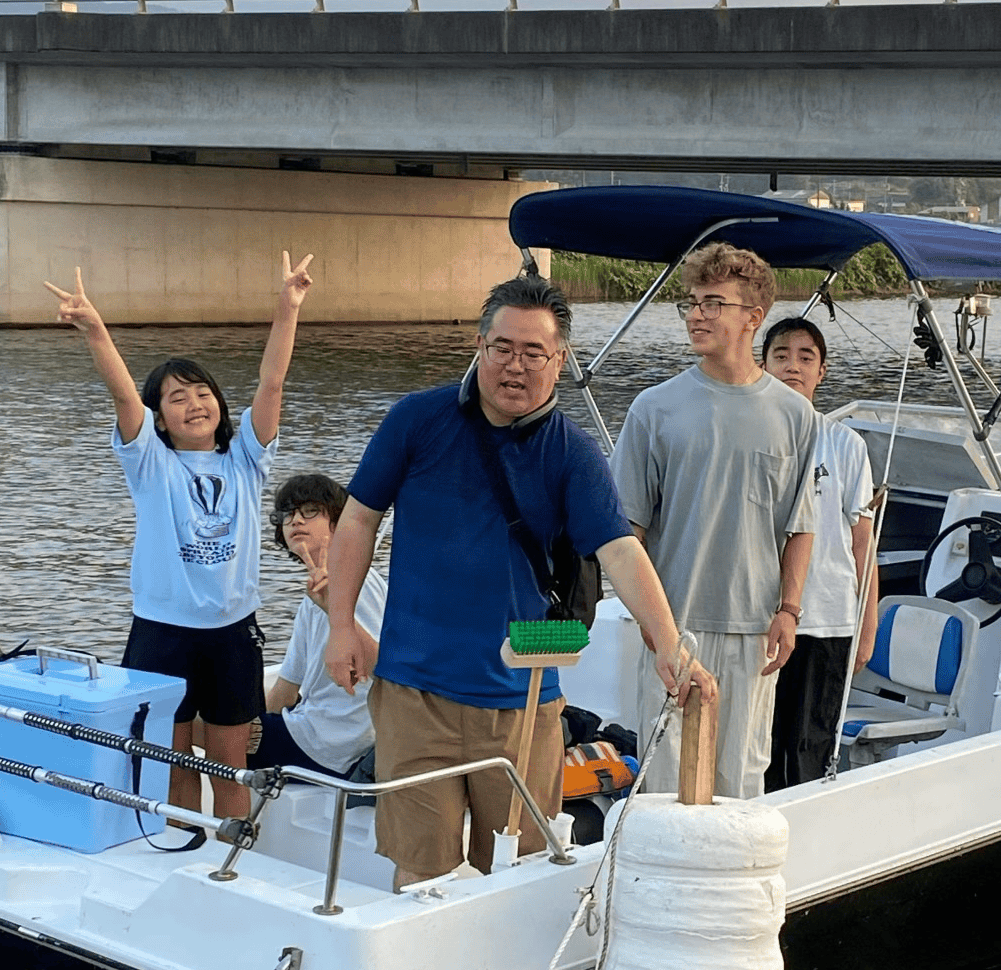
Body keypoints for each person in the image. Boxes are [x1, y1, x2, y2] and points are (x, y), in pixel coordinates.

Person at [324, 273, 712, 888]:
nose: (516, 365)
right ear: (479, 346)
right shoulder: (416, 421)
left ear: (559, 361)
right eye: (502, 348)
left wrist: (669, 643)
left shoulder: (572, 453)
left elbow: (621, 552)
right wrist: (341, 625)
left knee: (515, 872)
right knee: (423, 876)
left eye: (535, 352)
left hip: (522, 701)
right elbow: (357, 521)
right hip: (412, 694)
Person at [45, 253, 313, 822]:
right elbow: (123, 397)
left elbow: (272, 382)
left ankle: (233, 856)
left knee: (230, 764)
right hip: (162, 633)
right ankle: (182, 853)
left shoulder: (246, 459)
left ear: (218, 403)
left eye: (201, 393)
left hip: (232, 636)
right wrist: (95, 330)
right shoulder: (151, 465)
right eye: (176, 398)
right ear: (159, 419)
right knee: (173, 762)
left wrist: (287, 308)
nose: (194, 404)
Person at [608, 242, 817, 800]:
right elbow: (624, 534)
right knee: (664, 785)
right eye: (693, 303)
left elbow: (800, 526)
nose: (697, 314)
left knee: (741, 784)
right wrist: (659, 636)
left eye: (713, 303)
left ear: (754, 317)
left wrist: (790, 612)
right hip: (675, 629)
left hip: (755, 634)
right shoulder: (654, 409)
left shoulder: (796, 415)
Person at [760, 318, 877, 790]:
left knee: (809, 746)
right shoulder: (748, 435)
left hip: (827, 617)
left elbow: (863, 545)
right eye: (781, 355)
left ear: (822, 371)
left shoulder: (846, 445)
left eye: (805, 357)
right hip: (760, 617)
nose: (793, 366)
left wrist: (866, 627)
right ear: (762, 365)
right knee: (758, 746)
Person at [251, 473, 385, 778]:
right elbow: (287, 688)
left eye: (310, 510)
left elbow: (389, 671)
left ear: (339, 525)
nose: (296, 520)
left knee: (184, 722)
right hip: (317, 733)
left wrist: (336, 613)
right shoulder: (316, 593)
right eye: (287, 514)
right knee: (225, 719)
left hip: (331, 744)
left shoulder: (354, 585)